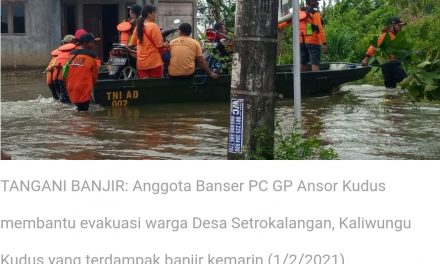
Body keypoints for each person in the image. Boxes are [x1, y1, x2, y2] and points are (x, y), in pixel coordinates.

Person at [362, 16, 407, 89]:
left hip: (391, 65)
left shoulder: (396, 36)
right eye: (399, 25)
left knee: (390, 89)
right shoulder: (385, 36)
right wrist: (366, 58)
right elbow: (374, 46)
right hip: (390, 65)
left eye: (402, 25)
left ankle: (393, 100)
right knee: (407, 83)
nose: (401, 27)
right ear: (393, 25)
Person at [131, 5, 169, 78]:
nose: (156, 14)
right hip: (154, 62)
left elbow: (133, 43)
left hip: (141, 63)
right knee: (155, 87)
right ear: (149, 14)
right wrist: (166, 44)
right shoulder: (153, 26)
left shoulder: (137, 27)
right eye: (154, 12)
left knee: (145, 87)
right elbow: (159, 45)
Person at [65, 33, 99, 111]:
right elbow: (94, 76)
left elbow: (66, 71)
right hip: (82, 88)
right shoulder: (92, 56)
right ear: (85, 43)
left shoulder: (71, 54)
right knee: (84, 115)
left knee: (78, 111)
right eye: (92, 42)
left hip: (70, 87)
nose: (94, 45)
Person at [299, 0, 328, 72]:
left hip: (301, 42)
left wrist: (278, 26)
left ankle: (301, 81)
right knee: (315, 63)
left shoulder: (299, 12)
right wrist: (324, 43)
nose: (317, 2)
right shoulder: (315, 13)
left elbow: (287, 22)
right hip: (313, 42)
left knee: (303, 62)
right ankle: (316, 81)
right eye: (315, 1)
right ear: (311, 1)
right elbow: (319, 29)